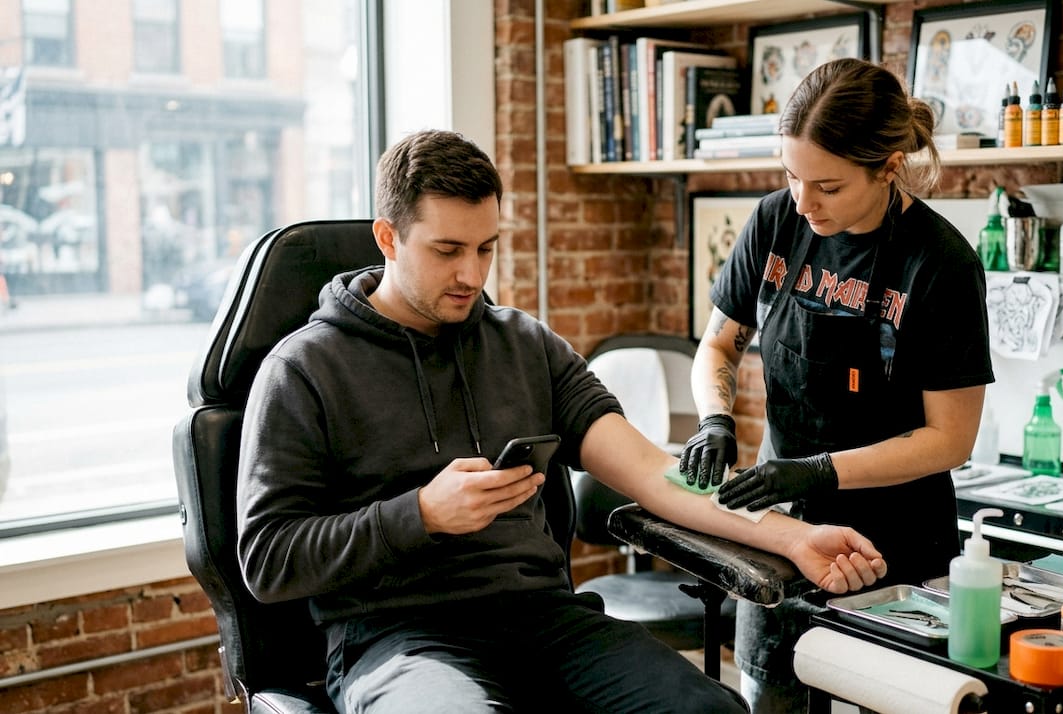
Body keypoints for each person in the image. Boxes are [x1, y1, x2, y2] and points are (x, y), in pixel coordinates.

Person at [236, 128, 889, 714]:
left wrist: (790, 538)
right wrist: (422, 514)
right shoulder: (303, 371)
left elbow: (657, 475)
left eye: (487, 248)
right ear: (388, 238)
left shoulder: (524, 344)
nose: (472, 275)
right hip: (398, 639)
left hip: (543, 622)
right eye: (447, 250)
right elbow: (266, 561)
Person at [679, 58, 995, 712]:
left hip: (896, 549)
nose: (803, 201)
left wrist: (821, 472)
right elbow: (718, 344)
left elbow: (950, 439)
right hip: (781, 532)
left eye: (826, 185)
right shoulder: (774, 223)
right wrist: (714, 418)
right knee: (772, 698)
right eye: (791, 176)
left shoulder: (939, 264)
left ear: (887, 167)